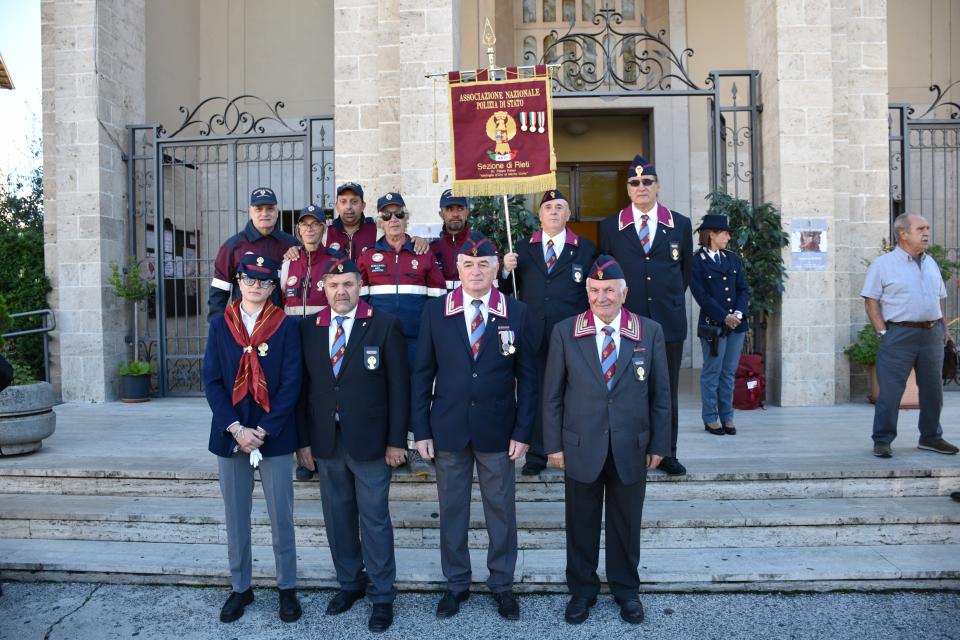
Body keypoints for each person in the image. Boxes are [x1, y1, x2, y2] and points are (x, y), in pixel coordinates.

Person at [411, 237, 537, 621]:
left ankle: (502, 584)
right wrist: (422, 431)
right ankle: (456, 584)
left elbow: (528, 379)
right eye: (468, 264)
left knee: (501, 511)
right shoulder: (436, 312)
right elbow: (421, 376)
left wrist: (523, 432)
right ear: (458, 269)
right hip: (447, 428)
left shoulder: (517, 312)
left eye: (484, 264)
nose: (476, 271)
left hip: (498, 430)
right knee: (452, 511)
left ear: (496, 268)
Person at [541, 255, 670, 626]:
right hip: (580, 444)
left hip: (632, 445)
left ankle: (626, 592)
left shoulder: (649, 331)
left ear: (624, 293)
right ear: (587, 293)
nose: (602, 297)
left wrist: (661, 444)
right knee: (580, 524)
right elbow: (552, 395)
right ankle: (582, 592)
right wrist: (553, 444)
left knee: (625, 525)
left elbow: (662, 396)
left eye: (609, 290)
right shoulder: (567, 331)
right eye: (595, 290)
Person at [295, 257, 409, 633]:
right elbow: (304, 390)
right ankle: (350, 583)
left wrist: (397, 441)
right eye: (332, 284)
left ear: (360, 286)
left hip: (372, 442)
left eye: (347, 284)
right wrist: (304, 442)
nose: (340, 291)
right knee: (338, 519)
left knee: (374, 519)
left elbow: (399, 389)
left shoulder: (384, 324)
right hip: (326, 442)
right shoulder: (309, 328)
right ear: (323, 288)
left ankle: (381, 595)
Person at [202, 253, 303, 624]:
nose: (255, 287)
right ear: (238, 282)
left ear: (273, 286)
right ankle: (241, 588)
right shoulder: (220, 324)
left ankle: (287, 589)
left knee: (281, 516)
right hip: (231, 434)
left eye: (263, 282)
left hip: (271, 434)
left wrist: (263, 429)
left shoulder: (285, 326)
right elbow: (211, 380)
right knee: (236, 516)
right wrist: (235, 428)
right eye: (249, 280)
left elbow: (293, 382)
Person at [598, 155, 691, 476]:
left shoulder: (680, 224)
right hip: (628, 323)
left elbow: (685, 273)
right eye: (635, 183)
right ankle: (631, 452)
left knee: (666, 390)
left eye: (647, 182)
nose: (641, 187)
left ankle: (667, 453)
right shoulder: (610, 226)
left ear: (658, 186)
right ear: (627, 188)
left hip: (668, 321)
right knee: (628, 390)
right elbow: (607, 276)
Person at [501, 189, 595, 475]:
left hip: (572, 337)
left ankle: (573, 451)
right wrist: (505, 271)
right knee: (537, 395)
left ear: (568, 214)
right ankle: (536, 455)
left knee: (574, 395)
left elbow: (594, 292)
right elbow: (508, 293)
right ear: (539, 215)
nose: (554, 211)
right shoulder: (522, 248)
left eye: (560, 207)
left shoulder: (586, 249)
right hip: (534, 335)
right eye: (548, 207)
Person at [358, 192, 446, 477]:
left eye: (399, 214)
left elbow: (437, 298)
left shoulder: (423, 253)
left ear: (407, 219)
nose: (393, 220)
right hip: (380, 341)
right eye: (387, 215)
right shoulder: (369, 257)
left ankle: (415, 451)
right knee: (382, 391)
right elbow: (361, 303)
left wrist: (433, 336)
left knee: (415, 392)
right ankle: (388, 448)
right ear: (379, 221)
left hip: (416, 339)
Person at [861, 212, 957, 458]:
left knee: (933, 390)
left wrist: (944, 331)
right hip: (899, 334)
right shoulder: (883, 265)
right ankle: (882, 440)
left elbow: (938, 300)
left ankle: (931, 437)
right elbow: (871, 301)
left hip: (932, 334)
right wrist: (883, 332)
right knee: (891, 391)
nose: (926, 233)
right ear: (902, 234)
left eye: (927, 228)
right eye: (920, 229)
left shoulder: (931, 262)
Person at [280, 204, 344, 482]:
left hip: (324, 339)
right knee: (296, 396)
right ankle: (302, 457)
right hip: (293, 339)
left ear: (323, 229)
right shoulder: (287, 262)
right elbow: (278, 302)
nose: (309, 229)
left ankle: (321, 453)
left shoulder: (335, 261)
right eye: (304, 224)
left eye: (314, 224)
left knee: (321, 397)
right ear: (298, 230)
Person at [688, 214, 750, 436]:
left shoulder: (732, 258)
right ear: (712, 234)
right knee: (712, 371)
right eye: (725, 232)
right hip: (714, 326)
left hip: (737, 325)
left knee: (728, 372)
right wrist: (724, 316)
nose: (729, 236)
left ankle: (727, 417)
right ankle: (710, 418)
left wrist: (739, 314)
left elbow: (743, 288)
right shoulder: (696, 261)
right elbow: (701, 296)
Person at [207, 187, 298, 319]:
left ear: (277, 212)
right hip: (244, 327)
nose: (265, 213)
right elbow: (219, 291)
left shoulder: (291, 245)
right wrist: (217, 328)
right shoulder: (232, 246)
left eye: (270, 208)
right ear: (250, 212)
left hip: (281, 326)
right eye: (259, 209)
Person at [430, 189, 498, 290]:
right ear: (441, 214)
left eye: (460, 209)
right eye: (449, 209)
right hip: (441, 305)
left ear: (467, 212)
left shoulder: (484, 246)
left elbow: (498, 283)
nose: (455, 214)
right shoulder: (432, 249)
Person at [324, 182, 379, 260]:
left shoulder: (375, 229)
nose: (348, 207)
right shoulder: (326, 232)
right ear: (336, 206)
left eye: (354, 202)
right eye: (343, 202)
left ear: (363, 205)